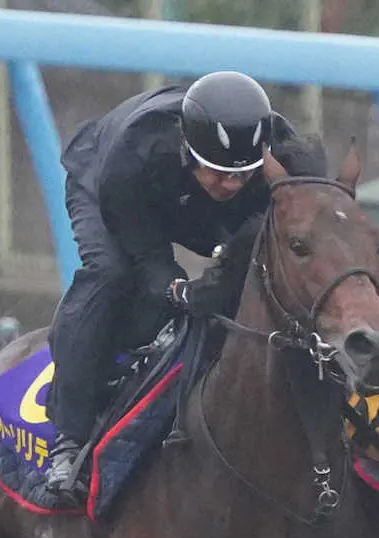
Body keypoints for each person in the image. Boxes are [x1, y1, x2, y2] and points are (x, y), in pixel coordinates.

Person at [43, 70, 305, 499]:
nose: (232, 185)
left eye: (243, 175)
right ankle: (68, 441)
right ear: (187, 149)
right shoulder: (133, 157)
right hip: (105, 182)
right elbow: (148, 256)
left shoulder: (281, 152)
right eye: (220, 173)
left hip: (185, 201)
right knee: (111, 272)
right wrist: (179, 291)